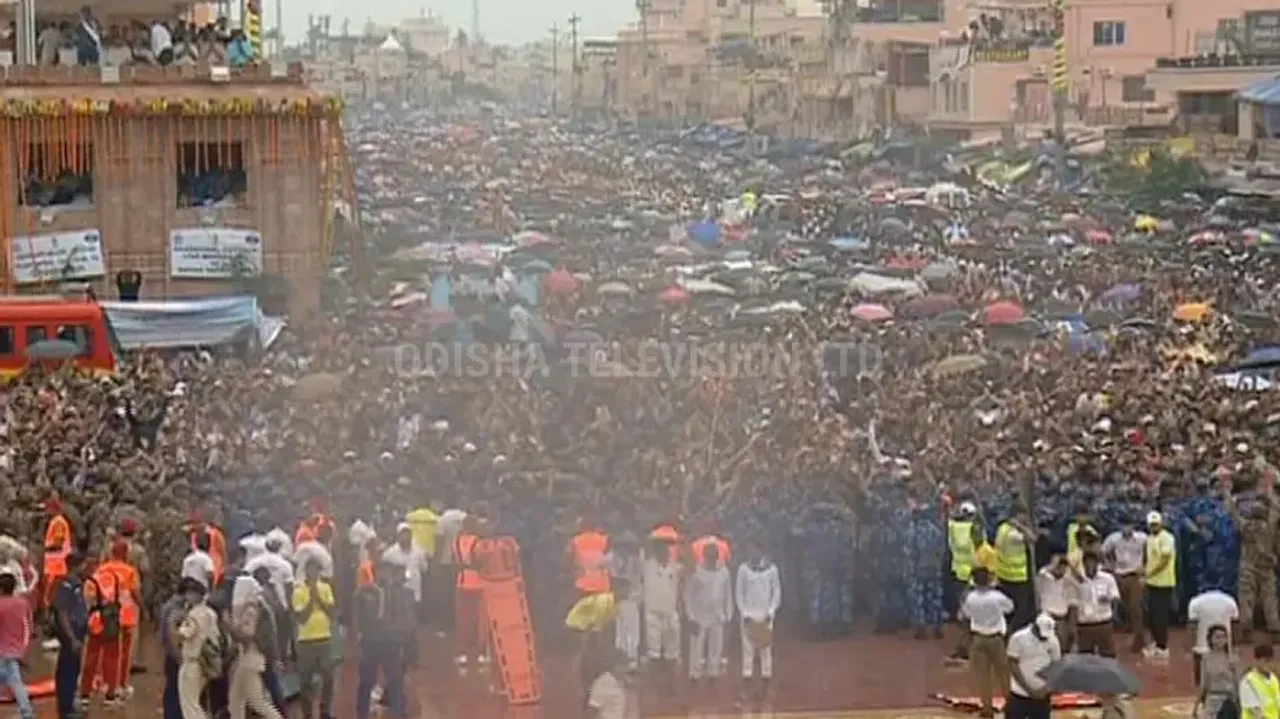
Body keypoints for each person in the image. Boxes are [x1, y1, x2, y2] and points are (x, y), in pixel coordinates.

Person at [80, 540, 140, 706]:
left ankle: (89, 688)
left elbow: (90, 594)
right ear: (126, 553)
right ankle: (118, 686)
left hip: (98, 617)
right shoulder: (129, 571)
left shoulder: (102, 570)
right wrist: (142, 608)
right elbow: (134, 592)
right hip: (122, 615)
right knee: (120, 655)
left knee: (93, 654)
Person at [354, 560, 412, 719]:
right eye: (380, 571)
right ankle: (361, 714)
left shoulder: (399, 592)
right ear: (375, 573)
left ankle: (399, 712)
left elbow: (404, 617)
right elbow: (357, 618)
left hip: (391, 643)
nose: (384, 575)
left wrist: (403, 641)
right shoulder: (364, 592)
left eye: (387, 571)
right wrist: (359, 638)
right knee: (366, 682)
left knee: (395, 681)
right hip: (370, 643)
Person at [226, 568, 283, 719]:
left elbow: (247, 636)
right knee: (235, 700)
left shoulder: (250, 609)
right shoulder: (258, 606)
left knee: (257, 702)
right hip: (248, 658)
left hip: (250, 659)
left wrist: (229, 627)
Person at [961, 567, 1014, 718]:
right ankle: (1011, 706)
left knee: (983, 677)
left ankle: (987, 709)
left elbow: (966, 614)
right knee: (1003, 675)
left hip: (978, 639)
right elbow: (1010, 608)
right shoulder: (997, 597)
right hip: (996, 639)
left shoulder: (970, 598)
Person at [735, 538, 781, 700]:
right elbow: (739, 593)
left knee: (765, 650)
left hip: (765, 616)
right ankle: (747, 682)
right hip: (748, 616)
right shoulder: (743, 569)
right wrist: (744, 613)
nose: (751, 552)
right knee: (747, 650)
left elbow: (776, 593)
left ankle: (766, 682)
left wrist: (771, 612)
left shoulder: (771, 569)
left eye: (753, 548)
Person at [292, 557, 336, 719]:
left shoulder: (326, 588)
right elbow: (302, 617)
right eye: (311, 569)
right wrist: (312, 597)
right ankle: (308, 714)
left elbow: (332, 612)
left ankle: (325, 710)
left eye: (317, 570)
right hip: (306, 641)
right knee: (305, 681)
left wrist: (319, 597)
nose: (314, 573)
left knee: (329, 677)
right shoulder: (298, 591)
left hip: (324, 638)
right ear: (306, 571)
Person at [684, 543, 733, 682]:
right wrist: (690, 616)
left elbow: (728, 594)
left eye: (714, 556)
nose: (712, 559)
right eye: (709, 556)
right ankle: (695, 675)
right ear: (704, 556)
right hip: (699, 616)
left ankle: (713, 674)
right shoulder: (696, 572)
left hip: (717, 616)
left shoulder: (724, 572)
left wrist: (728, 615)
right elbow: (688, 595)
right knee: (696, 648)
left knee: (716, 648)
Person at [176, 578, 220, 719]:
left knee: (189, 705)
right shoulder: (211, 613)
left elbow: (184, 634)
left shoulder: (194, 614)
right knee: (196, 703)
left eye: (190, 593)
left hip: (192, 662)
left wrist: (178, 625)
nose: (187, 596)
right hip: (207, 662)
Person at [52, 552, 89, 719]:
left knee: (74, 668)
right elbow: (62, 613)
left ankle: (69, 703)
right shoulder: (66, 585)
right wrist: (72, 638)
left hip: (78, 630)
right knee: (67, 668)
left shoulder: (77, 584)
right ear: (76, 565)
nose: (86, 568)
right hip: (71, 631)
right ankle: (65, 708)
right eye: (84, 565)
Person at [1101, 520, 1147, 651]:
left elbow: (1151, 550)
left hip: (1135, 575)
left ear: (1133, 526)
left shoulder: (1142, 538)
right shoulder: (1113, 538)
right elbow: (1103, 551)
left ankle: (1139, 640)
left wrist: (1145, 567)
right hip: (1119, 575)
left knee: (1135, 608)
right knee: (1125, 607)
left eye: (1129, 525)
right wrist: (1109, 564)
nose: (1126, 528)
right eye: (1124, 525)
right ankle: (1131, 633)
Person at [1006, 613, 1062, 719]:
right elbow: (1013, 664)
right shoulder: (1018, 638)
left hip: (1042, 696)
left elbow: (1056, 667)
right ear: (1035, 627)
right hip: (1019, 694)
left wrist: (1045, 689)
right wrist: (1029, 689)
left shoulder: (1053, 641)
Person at [641, 535, 681, 681]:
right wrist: (654, 538)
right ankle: (655, 684)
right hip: (653, 614)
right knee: (654, 653)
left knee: (672, 652)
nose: (665, 552)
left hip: (670, 613)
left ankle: (671, 685)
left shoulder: (674, 566)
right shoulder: (647, 565)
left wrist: (685, 543)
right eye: (660, 548)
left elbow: (691, 568)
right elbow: (644, 548)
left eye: (666, 549)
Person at [0, 572, 35, 719]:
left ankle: (26, 711)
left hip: (4, 649)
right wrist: (25, 647)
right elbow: (29, 624)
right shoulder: (23, 603)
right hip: (18, 647)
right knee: (9, 676)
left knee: (14, 680)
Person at [1144, 511, 1178, 661]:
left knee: (1161, 616)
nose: (1154, 527)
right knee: (1151, 615)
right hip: (1151, 583)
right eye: (1151, 525)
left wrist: (1149, 574)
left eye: (1156, 524)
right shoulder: (1149, 539)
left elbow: (1165, 560)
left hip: (1164, 583)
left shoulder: (1167, 538)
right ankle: (1156, 643)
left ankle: (1163, 647)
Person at [1190, 588, 1242, 686]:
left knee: (1202, 682)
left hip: (1202, 649)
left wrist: (1190, 646)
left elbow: (1192, 626)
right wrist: (1235, 646)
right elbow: (1236, 625)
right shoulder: (1230, 601)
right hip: (1225, 649)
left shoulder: (1195, 602)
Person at [995, 508, 1035, 633]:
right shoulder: (1013, 534)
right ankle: (1011, 633)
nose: (1025, 519)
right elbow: (1033, 538)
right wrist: (1022, 527)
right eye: (1023, 516)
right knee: (1021, 610)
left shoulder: (1002, 529)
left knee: (1008, 609)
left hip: (1003, 574)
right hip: (1017, 576)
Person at [1075, 551, 1120, 657]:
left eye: (1093, 562)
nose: (1090, 564)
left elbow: (1115, 596)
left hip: (1103, 623)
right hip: (1084, 624)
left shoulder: (1107, 578)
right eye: (1087, 562)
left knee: (1108, 656)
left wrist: (1108, 599)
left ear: (1097, 563)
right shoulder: (1077, 580)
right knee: (1085, 658)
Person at [1195, 625, 1240, 719]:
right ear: (1210, 639)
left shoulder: (1232, 658)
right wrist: (1196, 706)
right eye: (1217, 637)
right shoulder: (1206, 658)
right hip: (1212, 700)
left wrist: (1239, 703)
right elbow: (1203, 684)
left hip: (1229, 699)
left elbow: (1238, 682)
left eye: (1224, 637)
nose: (1221, 640)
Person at [1238, 643, 1280, 719]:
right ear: (1256, 660)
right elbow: (1255, 710)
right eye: (1265, 661)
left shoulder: (1274, 679)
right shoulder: (1248, 680)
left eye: (1270, 661)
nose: (1268, 664)